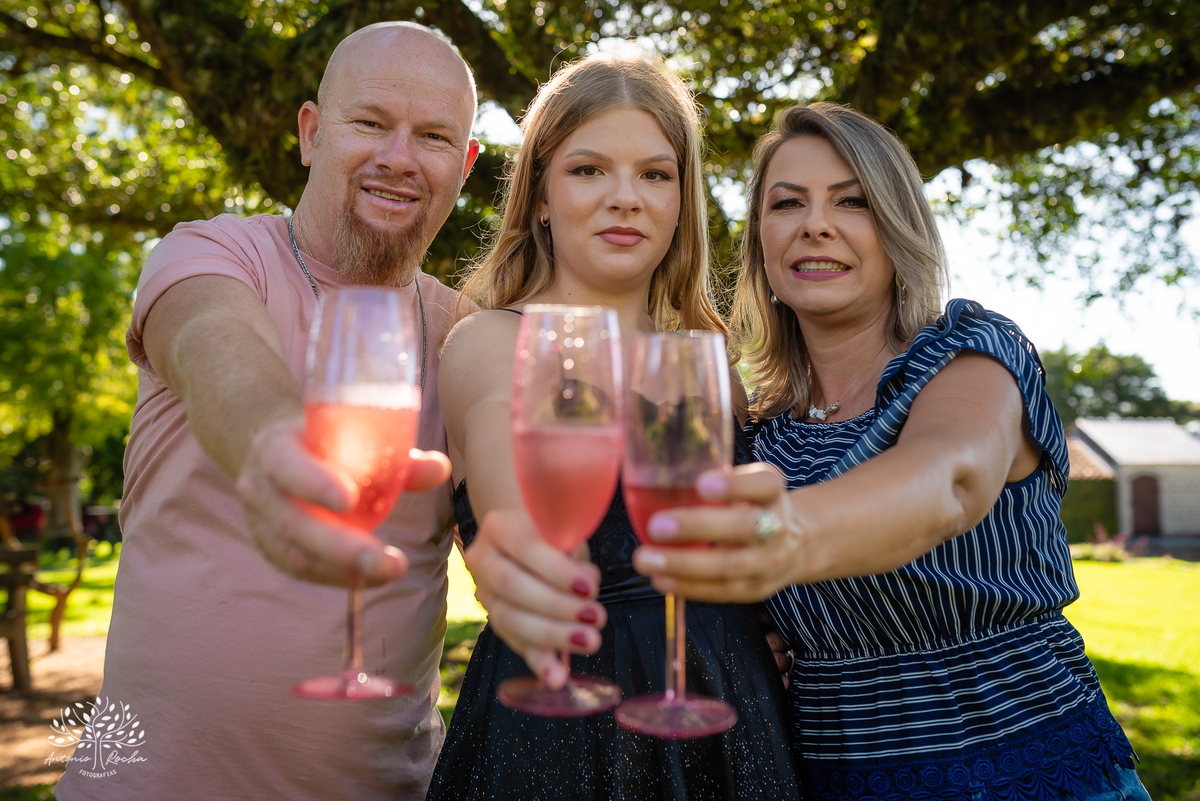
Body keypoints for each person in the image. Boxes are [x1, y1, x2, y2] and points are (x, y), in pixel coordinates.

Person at [629, 102, 1148, 800]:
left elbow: (948, 480)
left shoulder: (969, 354)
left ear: (899, 227)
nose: (816, 224)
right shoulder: (758, 430)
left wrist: (790, 533)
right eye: (787, 203)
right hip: (833, 780)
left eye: (853, 201)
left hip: (1027, 769)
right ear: (759, 240)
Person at [56, 22, 479, 801]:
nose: (398, 157)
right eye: (370, 122)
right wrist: (274, 444)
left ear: (466, 163)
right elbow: (213, 344)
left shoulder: (465, 335)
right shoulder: (211, 254)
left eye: (433, 136)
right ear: (311, 134)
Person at [425, 52, 799, 800]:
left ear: (680, 201)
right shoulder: (493, 342)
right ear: (539, 195)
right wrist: (518, 551)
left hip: (731, 712)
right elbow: (503, 461)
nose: (625, 198)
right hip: (561, 723)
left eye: (655, 175)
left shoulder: (707, 366)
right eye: (588, 170)